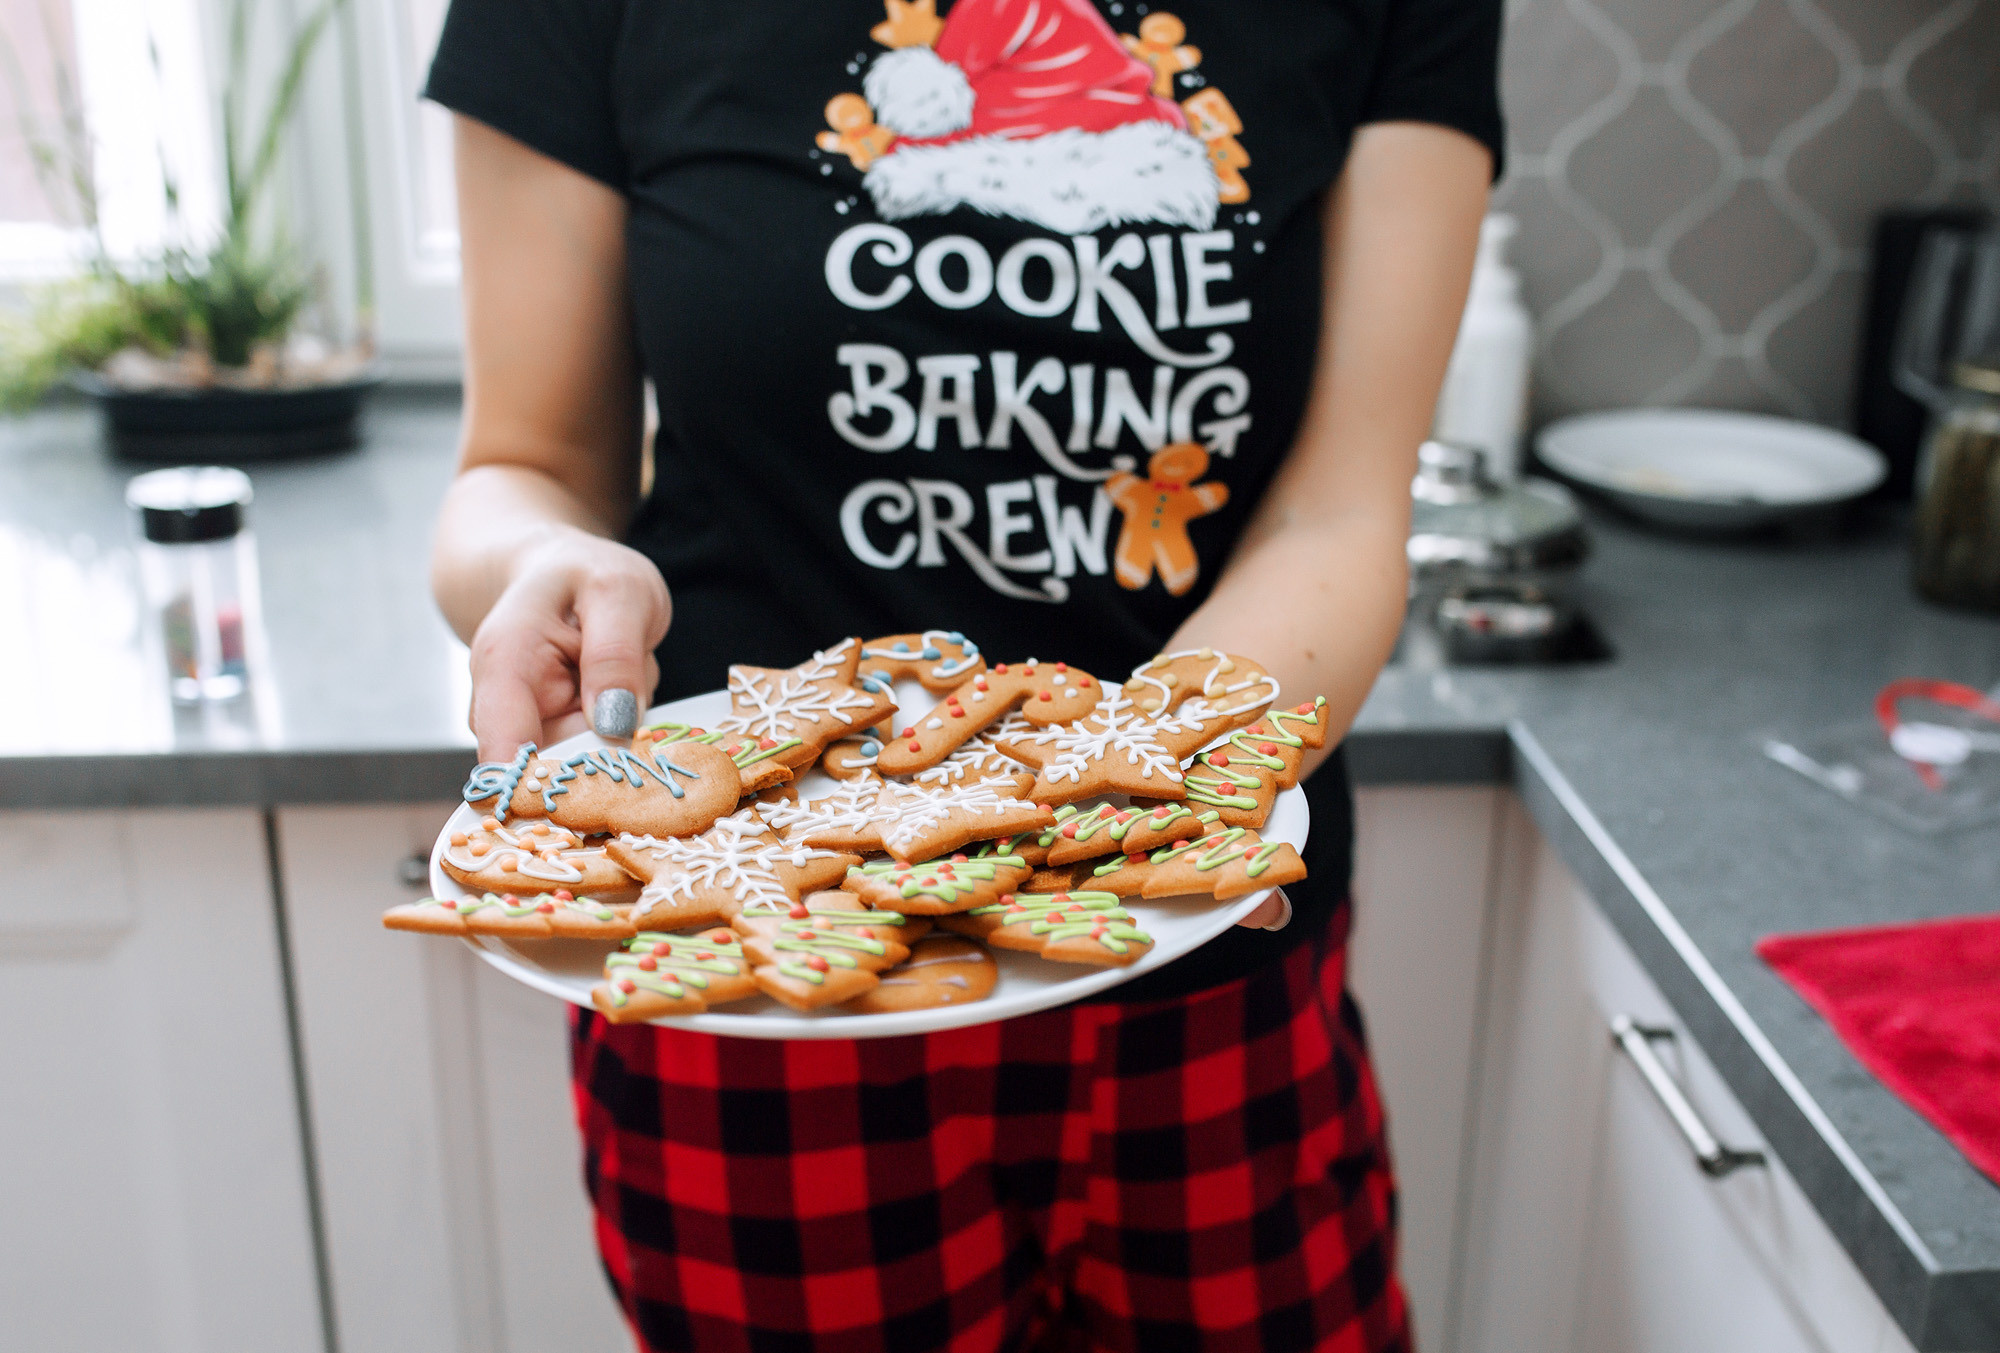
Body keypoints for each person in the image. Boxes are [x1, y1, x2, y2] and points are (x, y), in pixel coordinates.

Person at [424, 1, 1500, 1347]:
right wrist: (541, 565)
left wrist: (1116, 779)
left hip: (1209, 968)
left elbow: (1342, 507)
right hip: (762, 1001)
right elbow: (518, 460)